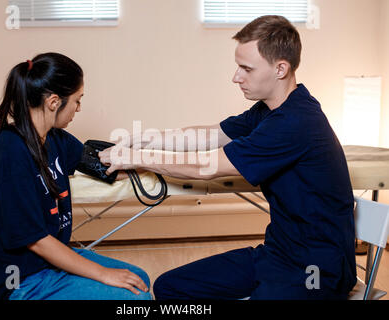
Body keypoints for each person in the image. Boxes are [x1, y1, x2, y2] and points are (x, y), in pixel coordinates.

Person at [99, 15, 357, 300]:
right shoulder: (268, 111)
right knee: (169, 287)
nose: (236, 77)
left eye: (246, 68)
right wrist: (145, 137)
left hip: (316, 270)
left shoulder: (296, 121)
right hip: (277, 255)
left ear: (280, 69)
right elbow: (211, 135)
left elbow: (206, 166)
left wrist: (136, 158)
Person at [0, 52, 151, 300]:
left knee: (140, 279)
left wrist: (153, 161)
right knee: (134, 296)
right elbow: (36, 240)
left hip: (45, 264)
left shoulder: (55, 138)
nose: (79, 108)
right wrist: (102, 273)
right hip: (18, 281)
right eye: (77, 100)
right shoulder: (10, 153)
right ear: (54, 102)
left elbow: (103, 165)